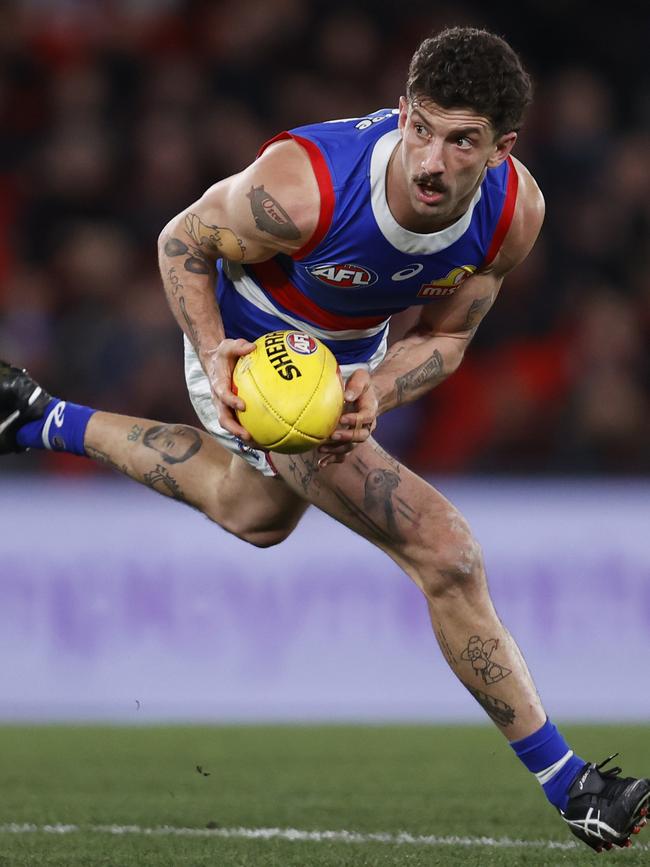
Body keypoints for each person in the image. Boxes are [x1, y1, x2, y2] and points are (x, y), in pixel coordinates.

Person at [1, 27, 647, 852]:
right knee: (444, 550)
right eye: (423, 127)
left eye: (463, 142)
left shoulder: (513, 213)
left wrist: (374, 385)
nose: (432, 160)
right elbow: (180, 241)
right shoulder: (306, 186)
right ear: (403, 111)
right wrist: (214, 355)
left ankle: (35, 415)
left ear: (500, 148)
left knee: (256, 513)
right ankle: (574, 783)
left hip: (347, 363)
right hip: (256, 354)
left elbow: (449, 338)